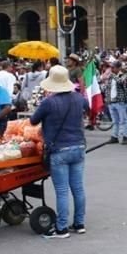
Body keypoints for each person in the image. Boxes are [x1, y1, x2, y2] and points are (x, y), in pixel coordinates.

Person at [30, 65, 89, 238]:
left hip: (59, 149)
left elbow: (33, 121)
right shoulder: (78, 98)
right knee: (78, 188)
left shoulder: (49, 102)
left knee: (62, 190)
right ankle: (79, 223)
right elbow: (87, 106)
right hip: (78, 146)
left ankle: (61, 227)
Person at [104, 61, 127, 145]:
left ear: (118, 68)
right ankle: (114, 136)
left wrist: (113, 75)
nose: (111, 69)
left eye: (113, 67)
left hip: (120, 101)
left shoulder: (124, 75)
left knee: (123, 120)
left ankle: (125, 136)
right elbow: (107, 88)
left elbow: (121, 82)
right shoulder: (110, 77)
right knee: (115, 121)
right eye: (111, 67)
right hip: (111, 101)